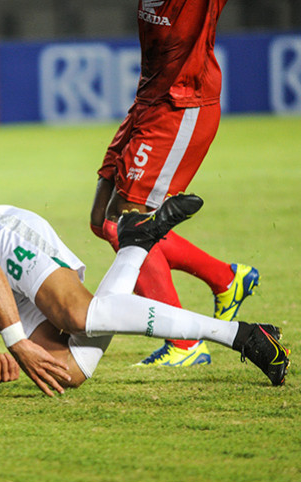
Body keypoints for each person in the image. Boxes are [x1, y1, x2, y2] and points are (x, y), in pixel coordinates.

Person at [0, 195, 289, 397]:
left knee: (80, 315)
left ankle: (242, 336)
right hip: (7, 307)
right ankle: (136, 243)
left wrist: (16, 341)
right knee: (68, 372)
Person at [90, 0, 259, 367]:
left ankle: (184, 344)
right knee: (102, 221)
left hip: (180, 106)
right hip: (147, 102)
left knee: (126, 224)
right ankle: (225, 278)